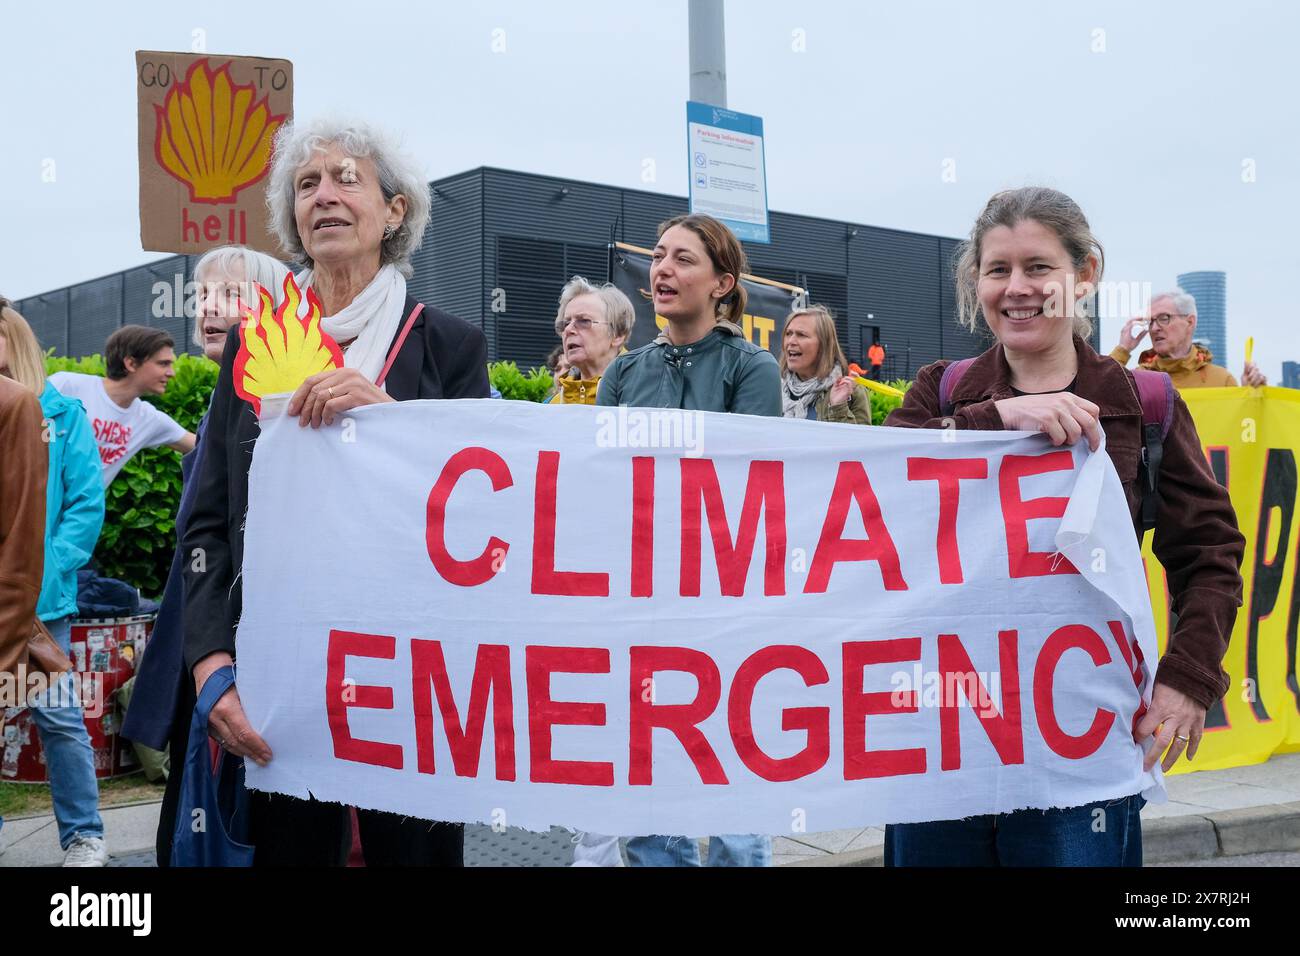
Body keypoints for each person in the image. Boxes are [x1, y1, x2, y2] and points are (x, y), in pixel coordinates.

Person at [884, 187, 1245, 866]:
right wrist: (993, 420)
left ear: (1085, 275)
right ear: (976, 283)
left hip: (1082, 743)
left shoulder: (1145, 402)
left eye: (1039, 267)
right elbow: (876, 490)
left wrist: (1189, 677)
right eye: (998, 269)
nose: (1017, 288)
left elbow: (1210, 552)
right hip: (941, 740)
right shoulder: (942, 392)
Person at [183, 119, 490, 866]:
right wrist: (210, 665)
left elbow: (481, 517)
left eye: (347, 178)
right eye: (306, 184)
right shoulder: (253, 345)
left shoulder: (450, 346)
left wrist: (390, 424)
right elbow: (208, 522)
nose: (323, 195)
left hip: (414, 684)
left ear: (394, 211)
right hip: (279, 678)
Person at [597, 213, 778, 867]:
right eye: (658, 256)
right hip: (642, 595)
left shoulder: (752, 367)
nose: (663, 269)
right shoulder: (622, 375)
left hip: (726, 596)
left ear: (722, 283)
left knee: (733, 748)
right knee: (652, 754)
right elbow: (601, 484)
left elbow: (748, 481)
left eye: (682, 258)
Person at [118, 247, 289, 867]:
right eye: (203, 297)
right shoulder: (218, 405)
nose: (211, 309)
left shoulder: (276, 408)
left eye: (231, 295)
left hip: (241, 664)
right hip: (200, 654)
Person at [0, 301, 107, 866]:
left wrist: (44, 567)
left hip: (42, 606)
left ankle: (85, 836)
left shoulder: (62, 415)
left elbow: (86, 504)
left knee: (60, 719)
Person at [48, 326, 196, 486]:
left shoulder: (148, 419)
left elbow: (202, 446)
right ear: (131, 363)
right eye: (163, 364)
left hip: (86, 502)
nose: (171, 373)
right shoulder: (65, 386)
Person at [1110, 289, 1266, 388]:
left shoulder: (1222, 380)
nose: (1154, 328)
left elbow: (1241, 426)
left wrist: (1249, 394)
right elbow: (1099, 396)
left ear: (1190, 322)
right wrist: (1123, 350)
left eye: (1164, 318)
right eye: (1150, 321)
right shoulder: (1137, 380)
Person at [549, 276, 635, 405]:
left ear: (617, 334)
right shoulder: (552, 406)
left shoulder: (644, 395)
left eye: (584, 321)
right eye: (565, 323)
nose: (568, 330)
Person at [780, 304, 872, 424]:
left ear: (824, 344)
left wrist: (838, 408)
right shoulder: (773, 386)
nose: (791, 341)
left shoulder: (852, 391)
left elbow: (859, 436)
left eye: (801, 335)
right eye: (788, 333)